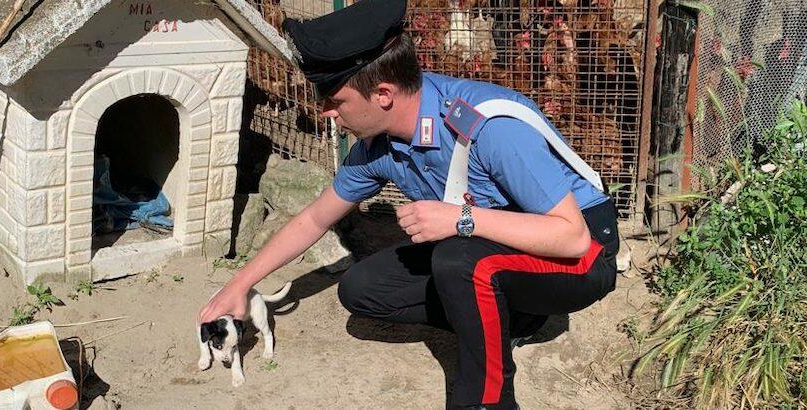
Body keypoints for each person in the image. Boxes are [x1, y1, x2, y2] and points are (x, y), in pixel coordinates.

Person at [199, 0, 620, 408]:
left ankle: (488, 400)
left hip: (580, 254)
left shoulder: (488, 126)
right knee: (362, 290)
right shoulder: (376, 145)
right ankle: (510, 315)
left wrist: (461, 219)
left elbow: (572, 238)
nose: (326, 112)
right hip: (501, 248)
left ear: (383, 94)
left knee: (459, 260)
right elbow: (314, 218)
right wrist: (238, 284)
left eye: (336, 100)